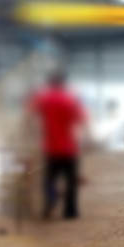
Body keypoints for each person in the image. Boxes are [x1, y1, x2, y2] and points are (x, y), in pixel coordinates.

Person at [29, 70, 86, 219]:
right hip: (69, 148)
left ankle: (51, 199)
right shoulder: (70, 99)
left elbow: (30, 114)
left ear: (50, 83)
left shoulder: (43, 98)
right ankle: (70, 211)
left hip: (51, 147)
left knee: (49, 179)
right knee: (71, 181)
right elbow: (81, 120)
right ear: (63, 83)